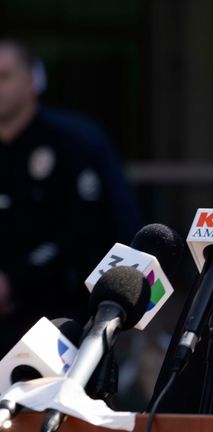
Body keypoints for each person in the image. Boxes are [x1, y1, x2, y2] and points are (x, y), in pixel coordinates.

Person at [0, 39, 142, 355]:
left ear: (32, 80)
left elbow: (93, 233)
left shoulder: (76, 143)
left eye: (4, 76)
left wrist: (15, 280)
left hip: (66, 319)